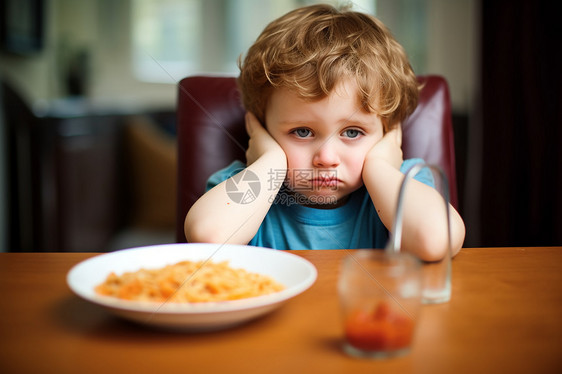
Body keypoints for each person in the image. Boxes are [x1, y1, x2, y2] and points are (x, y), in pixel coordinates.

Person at [184, 4, 465, 261]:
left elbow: (435, 240)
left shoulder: (404, 183)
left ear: (388, 132)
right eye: (302, 132)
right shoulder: (246, 185)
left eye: (353, 133)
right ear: (260, 128)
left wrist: (379, 166)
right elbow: (208, 237)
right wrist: (270, 160)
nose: (327, 158)